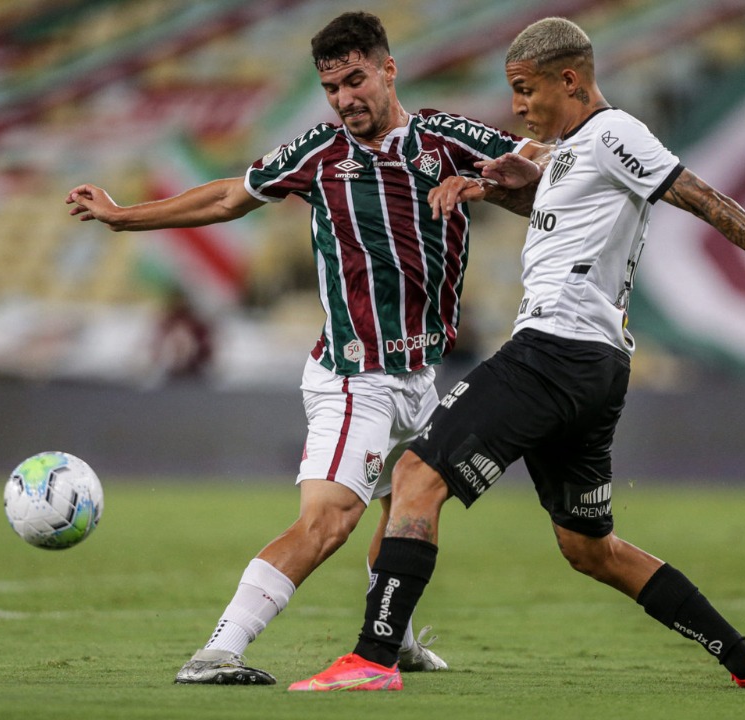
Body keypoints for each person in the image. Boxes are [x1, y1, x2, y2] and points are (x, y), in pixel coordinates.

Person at [290, 17, 745, 692]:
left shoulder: (614, 133)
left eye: (526, 91)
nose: (519, 107)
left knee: (415, 475)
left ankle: (373, 659)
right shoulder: (575, 152)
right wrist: (486, 186)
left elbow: (698, 194)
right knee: (591, 548)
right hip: (596, 366)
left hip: (556, 349)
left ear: (570, 79)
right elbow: (570, 217)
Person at [66, 12, 545, 685]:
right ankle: (218, 651)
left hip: (420, 375)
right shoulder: (320, 154)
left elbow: (538, 166)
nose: (346, 98)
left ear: (388, 69)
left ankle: (397, 638)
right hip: (356, 375)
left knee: (408, 508)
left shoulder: (443, 137)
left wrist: (488, 183)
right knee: (327, 522)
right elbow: (231, 196)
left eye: (355, 79)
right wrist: (125, 217)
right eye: (331, 87)